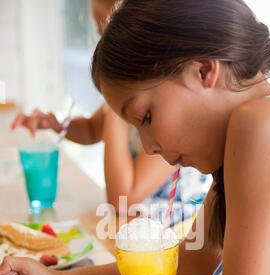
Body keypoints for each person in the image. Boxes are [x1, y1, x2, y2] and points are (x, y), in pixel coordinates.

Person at [1, 0, 270, 275]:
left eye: (144, 116)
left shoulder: (260, 127)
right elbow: (188, 264)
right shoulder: (252, 136)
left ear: (205, 70)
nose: (148, 147)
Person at [11, 0, 208, 223]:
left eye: (107, 35)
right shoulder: (141, 95)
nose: (103, 50)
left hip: (179, 236)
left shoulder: (171, 116)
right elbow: (92, 130)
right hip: (135, 226)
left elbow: (123, 199)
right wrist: (56, 123)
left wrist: (117, 109)